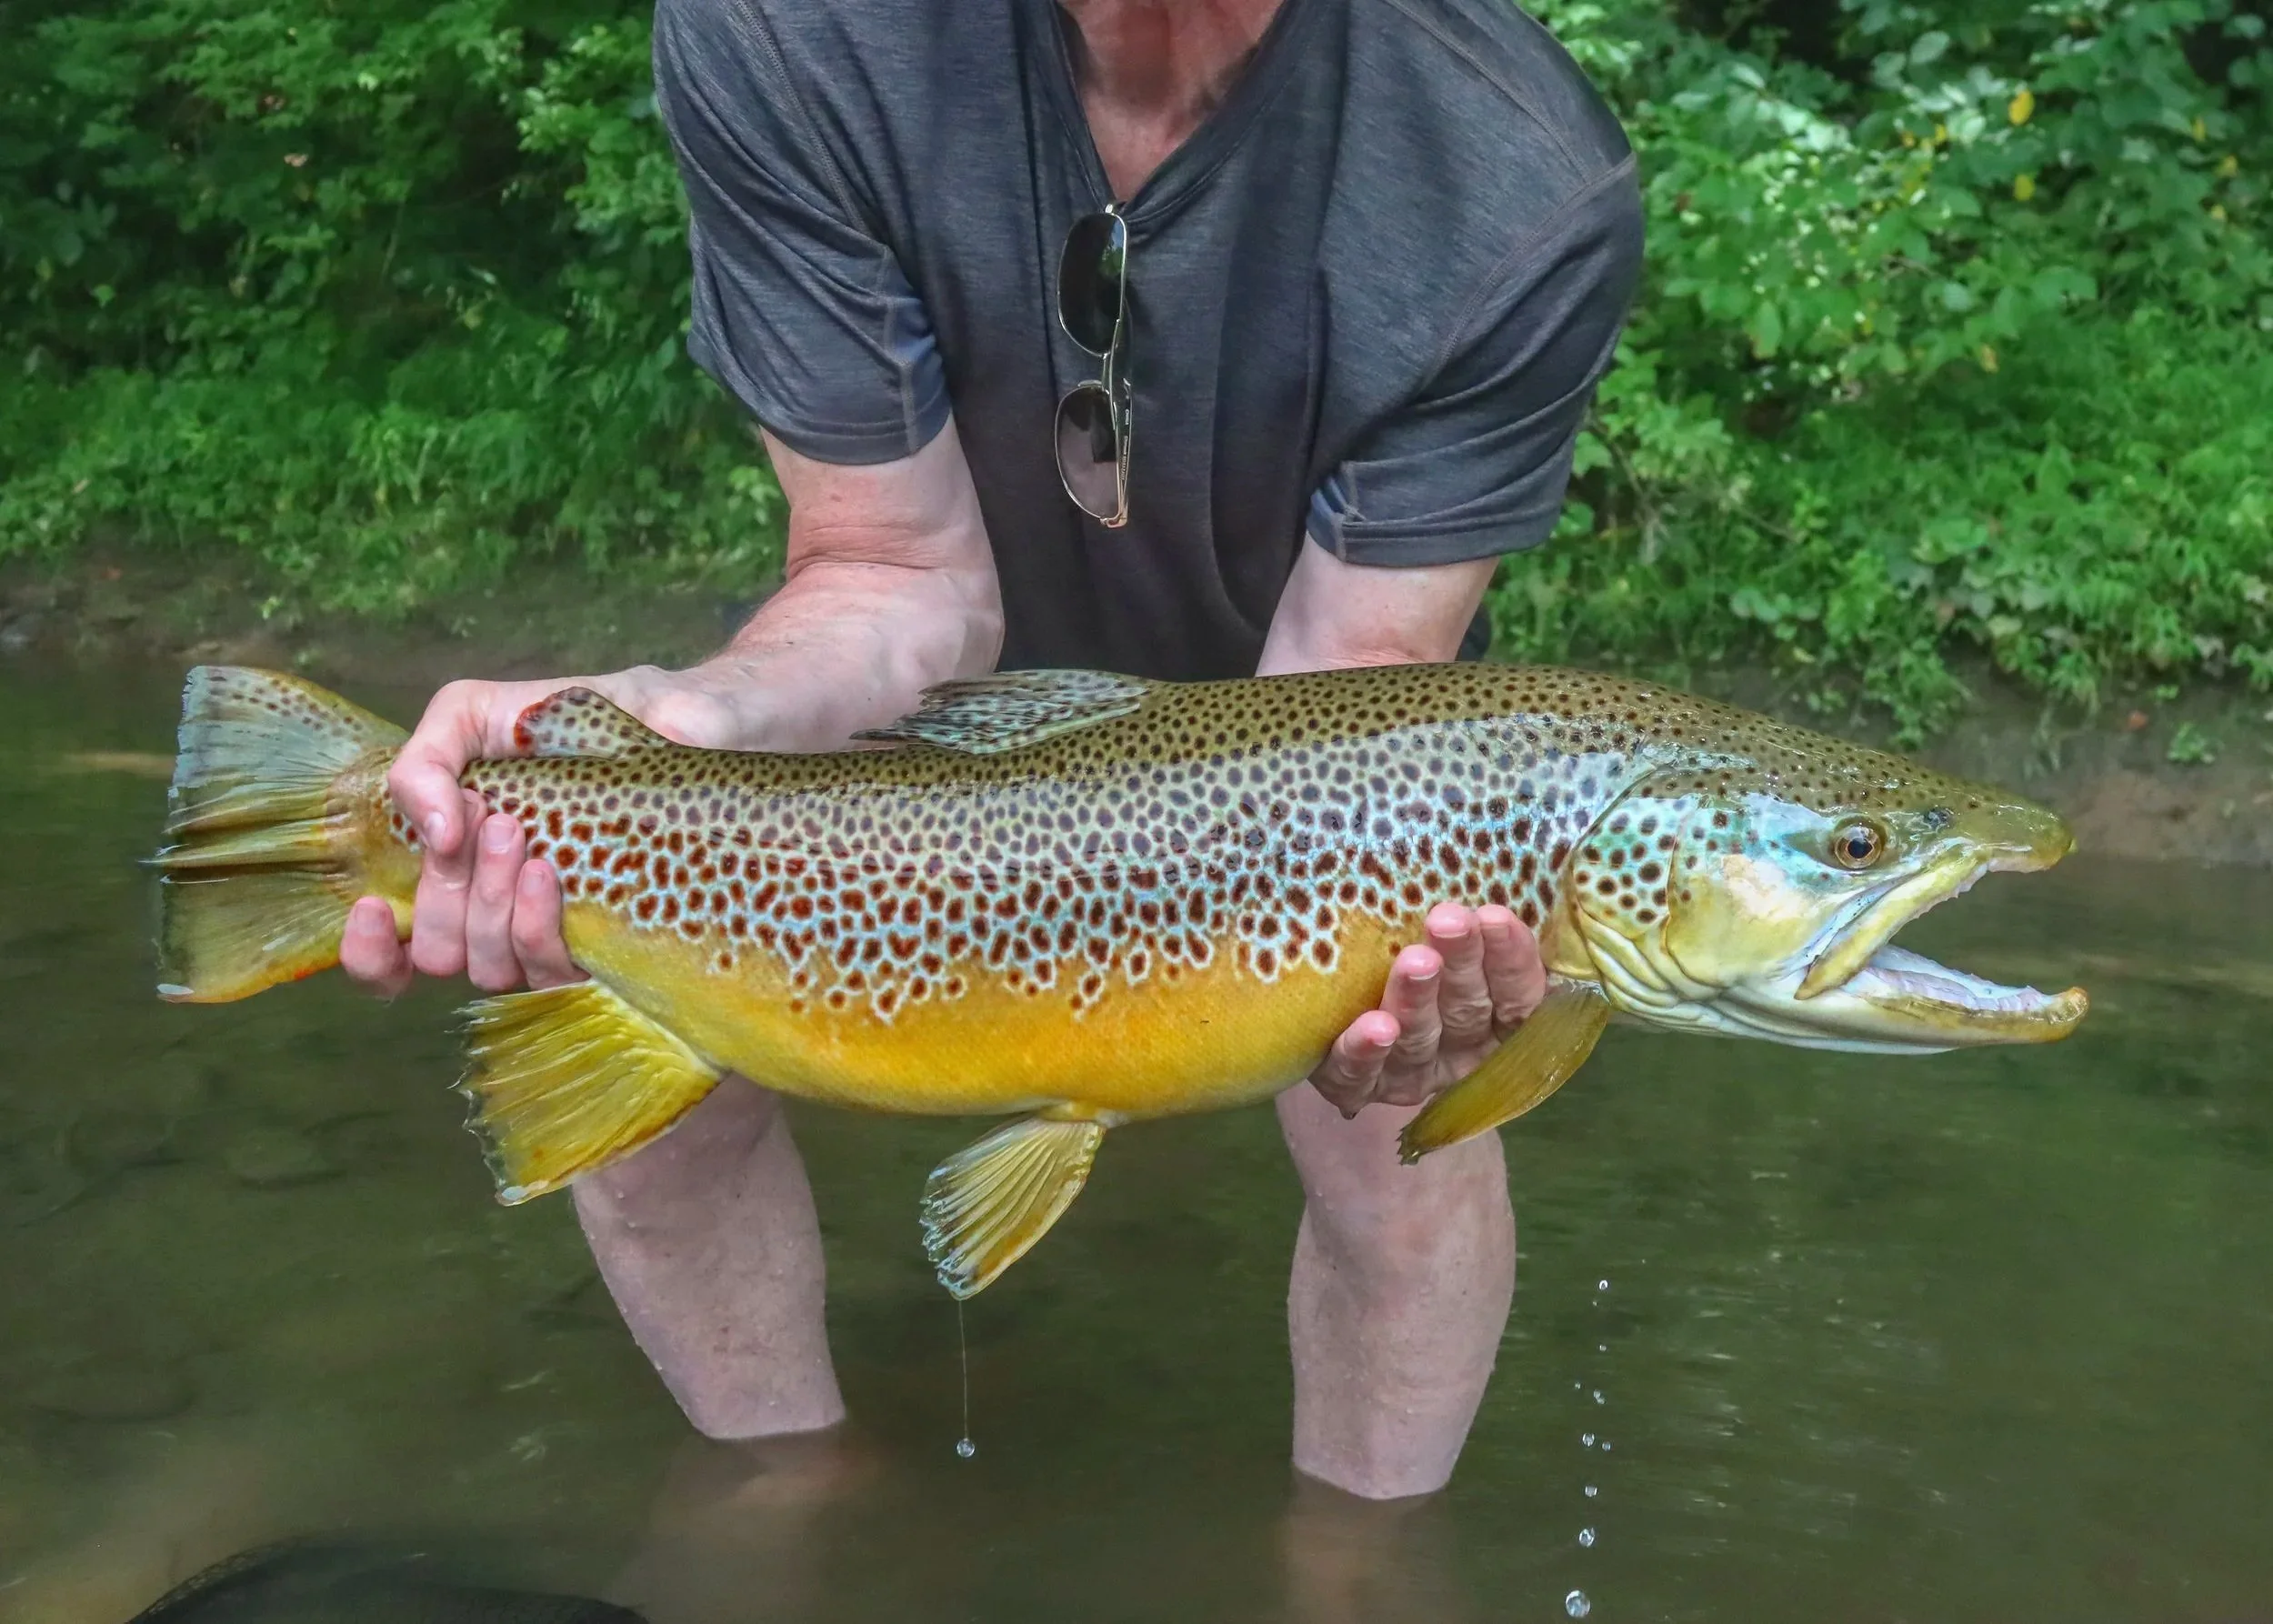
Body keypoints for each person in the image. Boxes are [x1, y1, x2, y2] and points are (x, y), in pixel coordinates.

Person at [339, 0, 1641, 1500]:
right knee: (633, 992)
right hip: (908, 666)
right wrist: (684, 722)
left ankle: (1362, 1569)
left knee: (1400, 1118)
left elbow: (1350, 681)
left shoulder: (1516, 180)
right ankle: (782, 1516)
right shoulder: (796, 28)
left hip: (1312, 731)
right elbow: (891, 568)